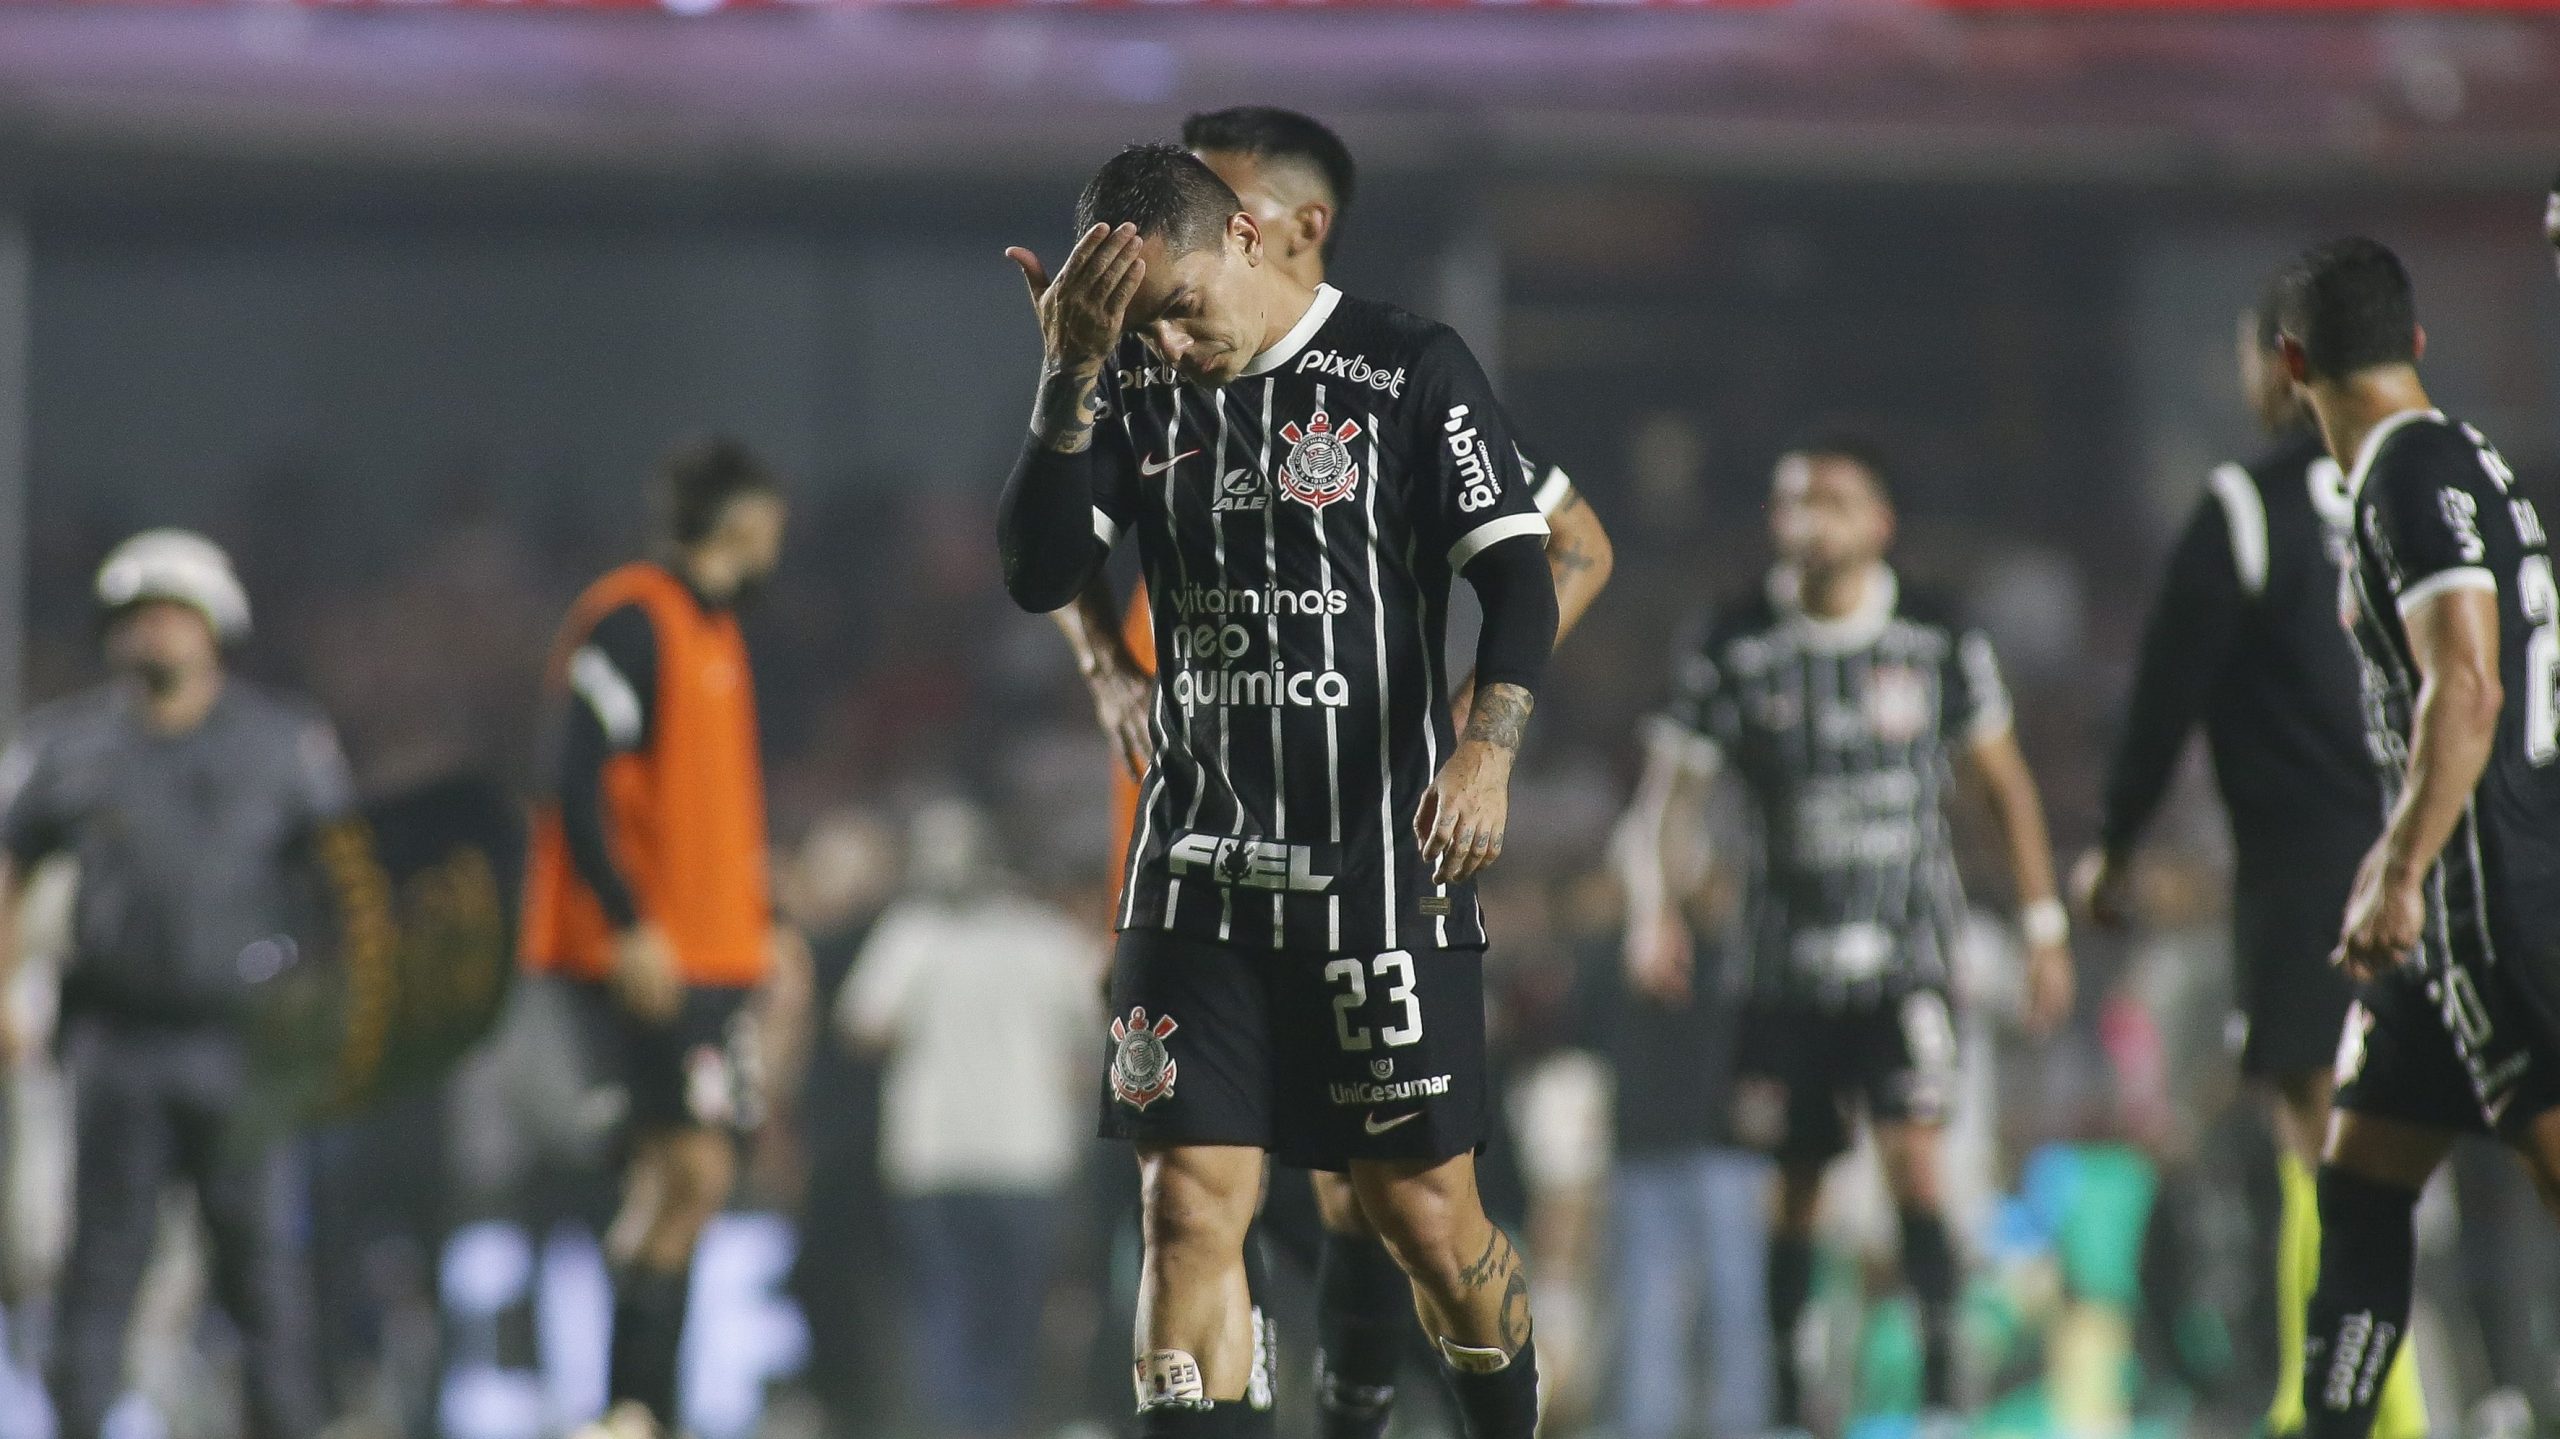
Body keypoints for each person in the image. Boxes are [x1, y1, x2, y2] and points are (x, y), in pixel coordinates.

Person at [1041, 104, 1616, 1439]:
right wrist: (1102, 660)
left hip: (1375, 873)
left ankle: (1401, 1410)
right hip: (1196, 866)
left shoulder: (1404, 367)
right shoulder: (1145, 365)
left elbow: (1554, 547)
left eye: (1213, 210)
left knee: (1405, 1205)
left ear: (1277, 226)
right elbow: (1051, 546)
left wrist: (1480, 734)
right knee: (1192, 1204)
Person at [1617, 437, 2076, 1432]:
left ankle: (1944, 1390)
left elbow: (2002, 783)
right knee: (1792, 1187)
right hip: (1781, 966)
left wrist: (2044, 926)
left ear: (1878, 523)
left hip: (1905, 953)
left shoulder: (1936, 634)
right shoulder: (1733, 637)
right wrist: (1654, 904)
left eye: (1829, 500)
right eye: (1789, 501)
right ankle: (1791, 1396)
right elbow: (1672, 791)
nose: (1804, 520)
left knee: (1917, 1160)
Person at [2071, 293, 2425, 1439]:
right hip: (2454, 857)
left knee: (2325, 1144)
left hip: (2315, 872)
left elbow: (2164, 692)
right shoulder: (2448, 491)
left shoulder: (2249, 504)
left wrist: (2116, 844)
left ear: (2281, 366)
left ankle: (2348, 1407)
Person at [2269, 236, 2560, 1439]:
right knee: (2359, 1184)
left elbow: (2469, 687)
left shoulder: (2402, 474)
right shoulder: (2459, 458)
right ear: (2415, 344)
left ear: (2291, 362)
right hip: (2448, 909)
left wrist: (2397, 865)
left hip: (2494, 896)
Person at [0, 530, 351, 1439]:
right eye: (135, 617)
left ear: (213, 626)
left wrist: (325, 1008)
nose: (151, 634)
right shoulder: (67, 745)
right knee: (100, 1266)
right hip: (117, 1038)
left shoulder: (285, 744)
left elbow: (344, 887)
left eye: (169, 614)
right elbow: (9, 867)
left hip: (245, 1041)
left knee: (263, 1269)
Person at [519, 436, 797, 1439]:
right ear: (745, 525)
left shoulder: (710, 631)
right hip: (651, 957)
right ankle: (629, 1405)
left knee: (692, 1177)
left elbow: (700, 813)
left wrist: (768, 920)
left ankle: (644, 1405)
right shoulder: (634, 618)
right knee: (681, 1172)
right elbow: (570, 776)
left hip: (710, 954)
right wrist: (631, 927)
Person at [838, 799, 1102, 1439]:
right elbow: (1098, 1035)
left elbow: (862, 1026)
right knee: (1012, 1312)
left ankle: (960, 1427)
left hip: (935, 1155)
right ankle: (1000, 1424)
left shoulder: (914, 933)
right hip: (1025, 1154)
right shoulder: (1047, 935)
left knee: (947, 1306)